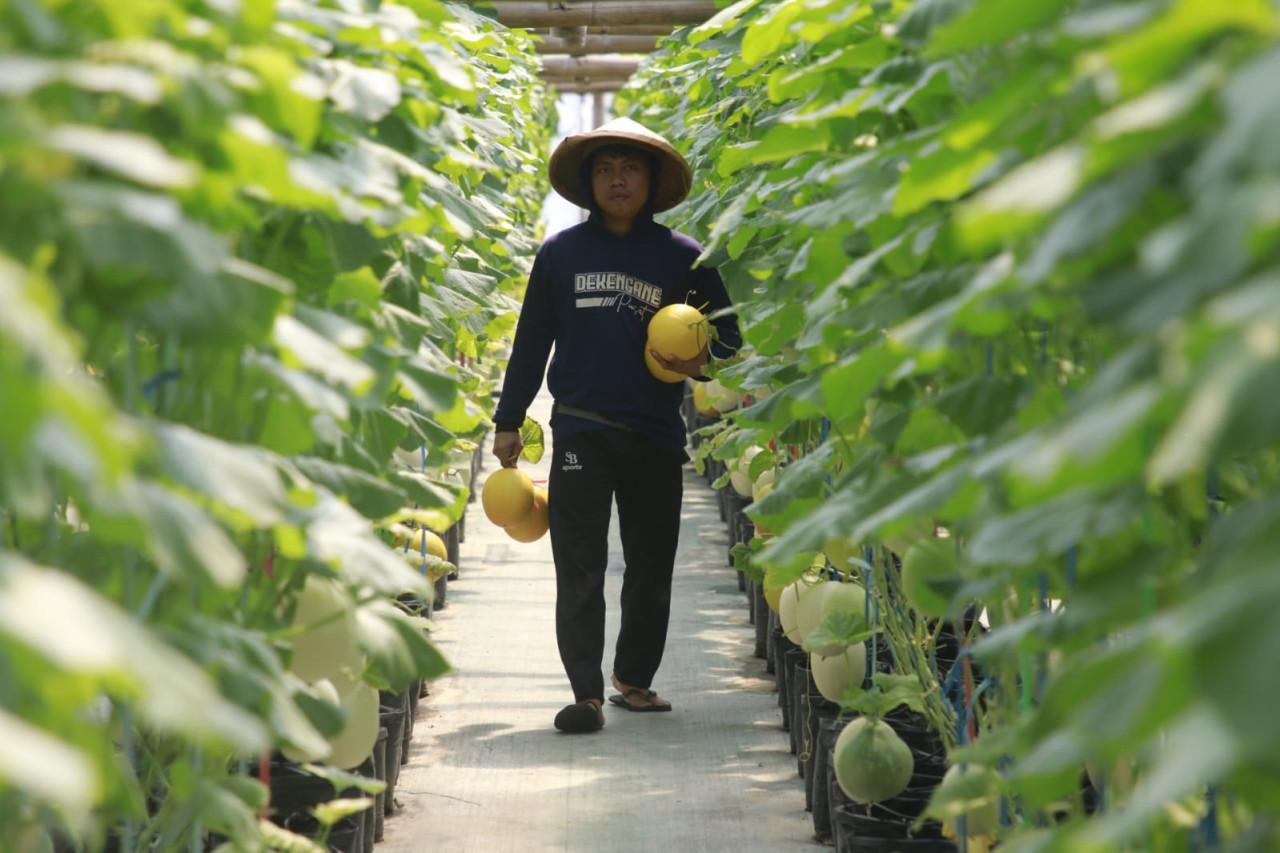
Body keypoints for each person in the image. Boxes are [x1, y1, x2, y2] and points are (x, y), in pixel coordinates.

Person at [490, 117, 742, 733]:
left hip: (655, 431)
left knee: (651, 565)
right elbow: (531, 340)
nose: (617, 180)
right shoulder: (560, 254)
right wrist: (508, 419)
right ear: (588, 183)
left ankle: (633, 679)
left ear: (651, 180)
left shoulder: (683, 257)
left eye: (630, 168)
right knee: (579, 563)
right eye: (603, 170)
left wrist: (698, 363)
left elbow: (730, 340)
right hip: (581, 426)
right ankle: (586, 694)